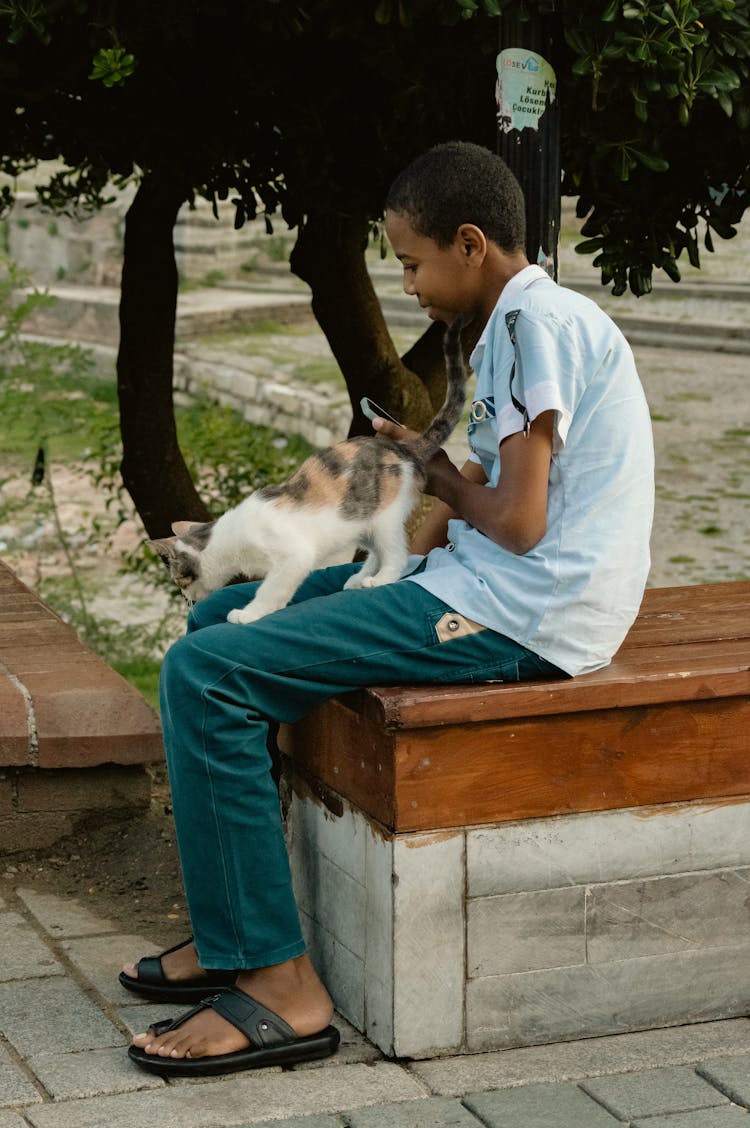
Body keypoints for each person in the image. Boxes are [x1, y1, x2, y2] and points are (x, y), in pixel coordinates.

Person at [123, 140, 654, 1076]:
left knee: (205, 672)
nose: (404, 284)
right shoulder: (515, 326)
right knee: (216, 626)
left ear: (471, 243)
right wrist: (414, 492)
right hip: (483, 584)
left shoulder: (535, 328)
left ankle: (284, 990)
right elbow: (491, 507)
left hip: (524, 615)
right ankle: (232, 926)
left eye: (411, 263)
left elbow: (521, 524)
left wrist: (429, 465)